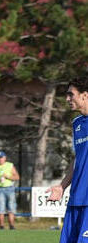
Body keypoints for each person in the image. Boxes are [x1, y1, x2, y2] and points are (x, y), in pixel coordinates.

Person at [47, 77, 88, 243]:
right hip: (76, 198)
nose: (67, 99)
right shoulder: (77, 123)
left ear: (85, 95)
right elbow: (78, 159)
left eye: (71, 94)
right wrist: (62, 186)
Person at [0, 151, 20, 230]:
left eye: (1, 158)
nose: (0, 159)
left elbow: (17, 177)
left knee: (11, 208)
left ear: (5, 158)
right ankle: (1, 227)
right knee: (0, 209)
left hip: (10, 188)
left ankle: (12, 226)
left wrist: (8, 176)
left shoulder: (10, 165)